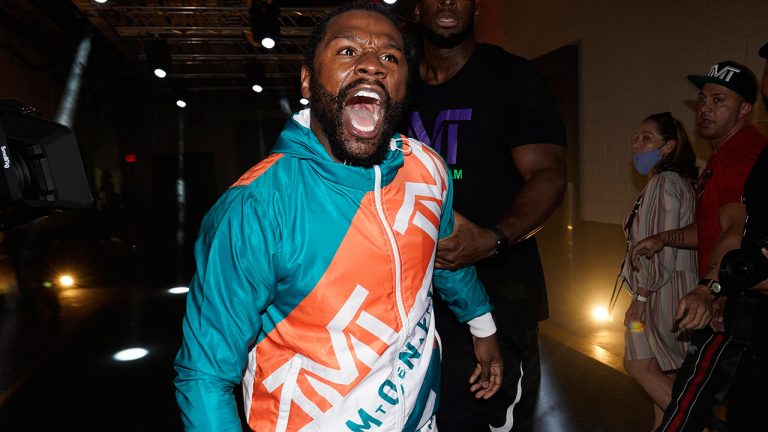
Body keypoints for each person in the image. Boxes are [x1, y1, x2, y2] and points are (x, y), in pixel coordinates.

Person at [173, 3, 503, 432]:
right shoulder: (255, 206)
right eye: (347, 52)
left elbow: (443, 257)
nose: (371, 65)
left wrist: (483, 327)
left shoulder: (428, 168)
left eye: (390, 57)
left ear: (405, 85)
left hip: (421, 417)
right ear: (308, 79)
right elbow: (205, 376)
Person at [406, 1, 567, 430]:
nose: (447, 1)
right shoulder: (398, 86)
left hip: (500, 302)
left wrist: (493, 238)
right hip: (414, 311)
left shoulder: (513, 78)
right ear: (417, 6)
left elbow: (549, 175)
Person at [630, 59, 768, 431]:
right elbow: (707, 227)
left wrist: (710, 289)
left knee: (690, 403)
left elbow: (735, 229)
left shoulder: (743, 154)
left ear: (744, 109)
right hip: (728, 298)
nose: (705, 107)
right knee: (709, 400)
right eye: (703, 98)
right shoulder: (721, 157)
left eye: (718, 100)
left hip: (735, 304)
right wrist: (664, 238)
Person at [621, 112, 698, 430]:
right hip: (670, 292)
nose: (637, 145)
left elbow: (658, 248)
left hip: (657, 295)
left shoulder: (663, 184)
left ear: (668, 147)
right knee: (663, 371)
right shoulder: (677, 183)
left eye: (647, 138)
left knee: (637, 365)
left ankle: (698, 425)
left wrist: (640, 297)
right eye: (636, 138)